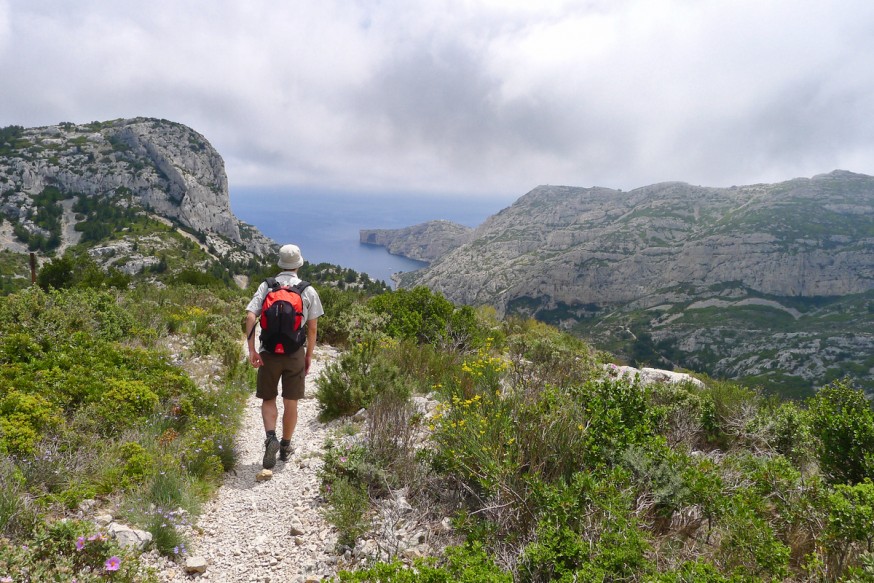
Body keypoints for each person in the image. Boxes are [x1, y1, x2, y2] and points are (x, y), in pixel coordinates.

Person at [245, 244, 324, 469]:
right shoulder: (307, 290)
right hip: (294, 353)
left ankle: (271, 438)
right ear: (299, 264)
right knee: (291, 402)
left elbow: (251, 316)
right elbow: (312, 329)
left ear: (280, 263)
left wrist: (251, 349)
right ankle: (286, 446)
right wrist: (308, 356)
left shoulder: (267, 287)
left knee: (268, 398)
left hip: (268, 353)